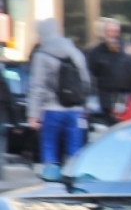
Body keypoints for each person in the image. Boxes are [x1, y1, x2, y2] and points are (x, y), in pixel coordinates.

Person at [27, 17, 91, 165]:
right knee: (75, 150)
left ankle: (51, 182)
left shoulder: (41, 55)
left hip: (51, 109)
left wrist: (33, 114)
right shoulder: (75, 52)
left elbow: (38, 86)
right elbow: (86, 82)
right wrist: (84, 105)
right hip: (75, 110)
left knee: (49, 146)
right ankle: (73, 179)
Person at [86, 18, 131, 124]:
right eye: (110, 31)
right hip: (105, 100)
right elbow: (90, 75)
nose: (113, 34)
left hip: (124, 99)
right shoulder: (96, 52)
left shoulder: (126, 50)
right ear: (104, 32)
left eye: (115, 32)